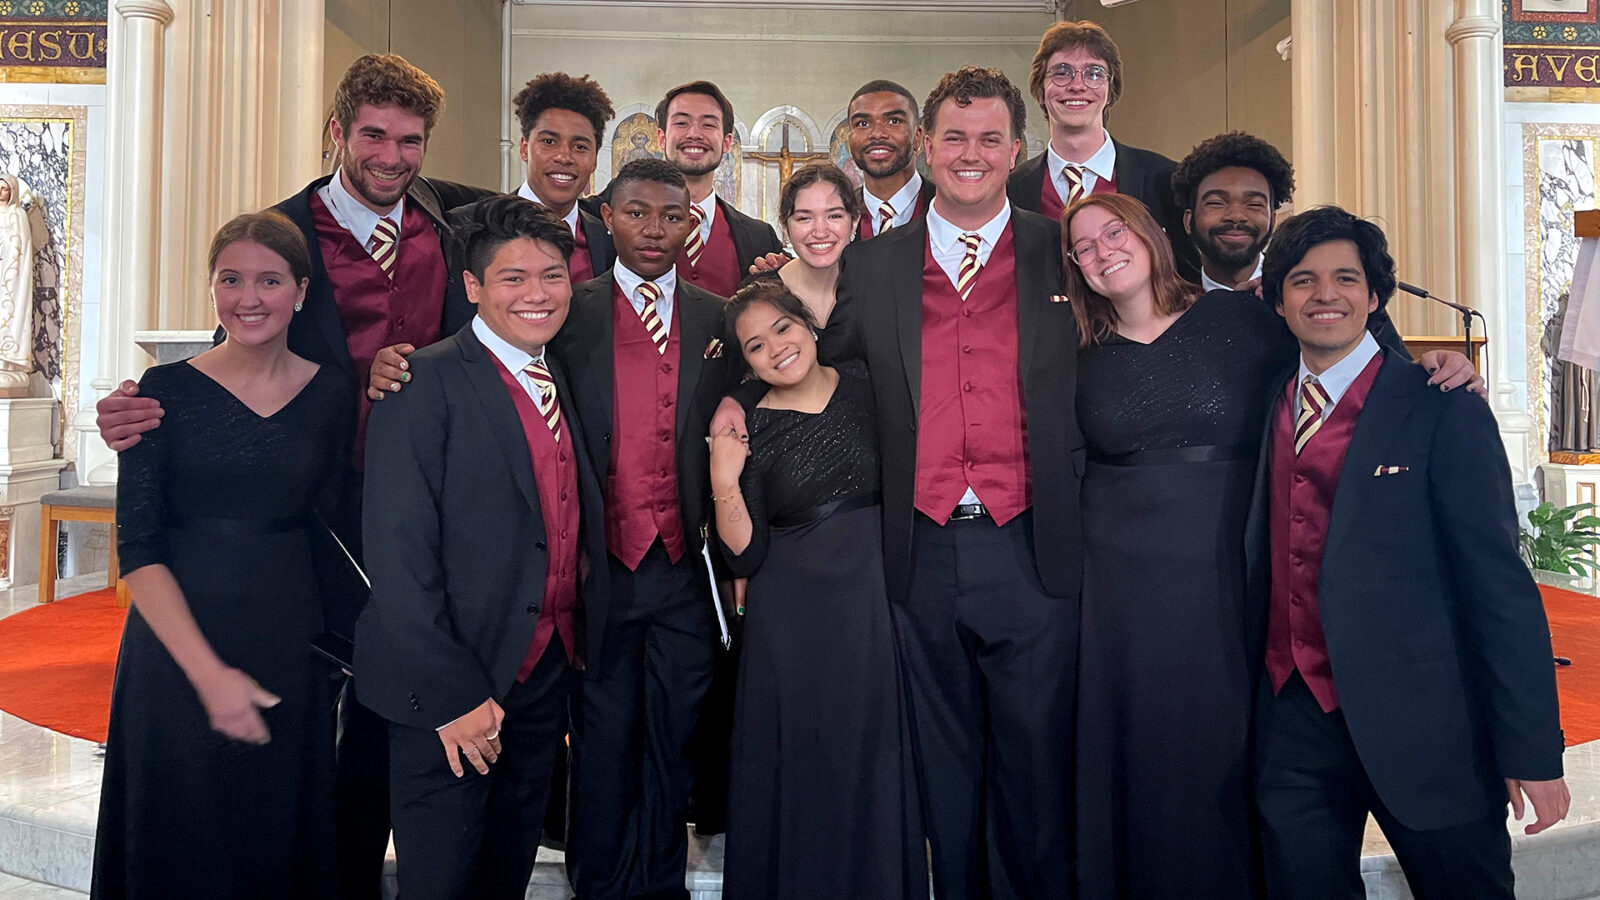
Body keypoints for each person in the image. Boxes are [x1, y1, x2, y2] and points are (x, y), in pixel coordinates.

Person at [95, 53, 492, 900]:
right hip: (302, 503)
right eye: (374, 136)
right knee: (293, 723)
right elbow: (228, 360)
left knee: (384, 708)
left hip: (413, 503)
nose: (391, 156)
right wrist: (136, 412)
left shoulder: (450, 227)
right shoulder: (277, 232)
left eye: (410, 141)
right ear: (339, 131)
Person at [714, 66, 1084, 898]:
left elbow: (1141, 320)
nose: (970, 153)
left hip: (1032, 545)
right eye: (953, 136)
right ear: (926, 146)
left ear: (1017, 149)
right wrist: (735, 412)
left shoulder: (1060, 248)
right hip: (915, 554)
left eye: (991, 138)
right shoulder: (877, 264)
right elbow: (809, 361)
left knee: (1033, 763)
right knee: (940, 766)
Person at [1060, 191, 1485, 898]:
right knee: (1135, 751)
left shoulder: (1241, 318)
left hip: (1228, 568)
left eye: (1116, 232)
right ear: (1074, 266)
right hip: (1119, 584)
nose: (1104, 250)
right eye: (1084, 245)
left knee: (1229, 754)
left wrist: (1439, 371)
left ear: (1152, 236)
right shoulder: (1075, 351)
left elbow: (1344, 354)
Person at [1249, 206, 1568, 899]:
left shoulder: (1440, 403)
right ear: (1277, 300)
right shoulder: (1267, 402)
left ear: (1373, 295)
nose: (1323, 294)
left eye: (1344, 278)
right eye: (1302, 280)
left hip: (1428, 726)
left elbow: (1497, 585)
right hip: (1294, 724)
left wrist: (1532, 748)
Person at [354, 196, 606, 900]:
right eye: (513, 279)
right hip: (448, 687)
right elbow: (399, 558)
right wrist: (453, 696)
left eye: (551, 276)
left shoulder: (563, 377)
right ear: (472, 287)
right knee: (441, 882)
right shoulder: (420, 381)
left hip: (539, 678)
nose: (537, 294)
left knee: (505, 874)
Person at [92, 212, 348, 899]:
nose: (249, 297)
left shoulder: (331, 392)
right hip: (178, 646)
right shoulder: (162, 394)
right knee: (182, 837)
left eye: (269, 280)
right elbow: (137, 547)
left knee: (272, 835)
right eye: (230, 279)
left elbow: (336, 523)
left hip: (289, 637)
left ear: (300, 289)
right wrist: (209, 676)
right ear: (211, 289)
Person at [555, 158, 737, 900]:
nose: (654, 229)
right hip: (601, 568)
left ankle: (663, 883)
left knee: (674, 738)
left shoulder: (719, 316)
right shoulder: (568, 312)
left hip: (685, 571)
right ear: (607, 215)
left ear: (691, 221)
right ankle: (599, 881)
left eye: (671, 214)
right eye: (637, 213)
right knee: (602, 739)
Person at [710, 280, 921, 900]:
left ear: (808, 322)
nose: (775, 348)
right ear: (743, 362)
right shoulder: (747, 420)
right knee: (800, 768)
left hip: (874, 602)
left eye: (783, 327)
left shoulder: (867, 379)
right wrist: (725, 476)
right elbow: (743, 551)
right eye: (754, 345)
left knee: (873, 761)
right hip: (791, 621)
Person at [1007, 21, 1199, 280]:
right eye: (1062, 72)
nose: (1077, 85)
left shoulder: (1165, 178)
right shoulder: (1011, 187)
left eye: (1094, 73)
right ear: (1041, 87)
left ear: (1110, 90)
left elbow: (1190, 276)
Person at [657, 80, 783, 298]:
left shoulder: (759, 237)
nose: (694, 134)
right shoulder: (620, 224)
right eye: (682, 123)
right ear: (661, 138)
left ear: (726, 143)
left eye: (708, 124)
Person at [1170, 131, 1290, 293]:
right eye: (1216, 203)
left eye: (1254, 204)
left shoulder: (1294, 293)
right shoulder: (1171, 307)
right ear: (1188, 221)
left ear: (1272, 219)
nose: (1236, 216)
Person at [760, 163, 861, 327]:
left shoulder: (877, 291)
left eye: (834, 216)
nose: (820, 232)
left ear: (854, 221)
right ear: (785, 226)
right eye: (804, 218)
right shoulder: (759, 295)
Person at [846, 80, 933, 240]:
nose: (877, 134)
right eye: (863, 123)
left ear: (917, 137)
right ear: (849, 138)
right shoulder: (841, 212)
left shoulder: (948, 209)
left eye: (894, 121)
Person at [0, 172, 33, 392]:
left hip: (9, 276)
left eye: (4, 188)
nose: (0, 192)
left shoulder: (17, 214)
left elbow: (22, 248)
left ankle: (6, 362)